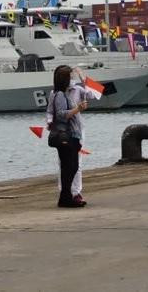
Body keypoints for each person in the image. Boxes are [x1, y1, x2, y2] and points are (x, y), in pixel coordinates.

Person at [47, 64, 87, 208]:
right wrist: (77, 109)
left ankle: (66, 196)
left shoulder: (61, 93)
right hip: (67, 135)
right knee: (70, 166)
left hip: (71, 133)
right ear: (64, 79)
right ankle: (66, 196)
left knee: (69, 166)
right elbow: (61, 114)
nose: (72, 79)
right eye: (70, 77)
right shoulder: (59, 95)